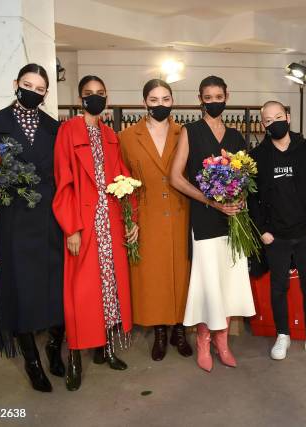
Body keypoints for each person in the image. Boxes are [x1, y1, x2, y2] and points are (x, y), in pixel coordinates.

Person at [0, 63, 64, 392]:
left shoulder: (54, 127)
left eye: (39, 88)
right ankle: (32, 361)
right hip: (16, 218)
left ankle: (53, 347)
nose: (32, 91)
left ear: (46, 93)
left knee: (53, 287)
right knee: (21, 289)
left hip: (52, 219)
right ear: (15, 84)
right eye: (27, 85)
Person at [53, 75, 138, 391]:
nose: (95, 98)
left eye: (101, 94)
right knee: (80, 293)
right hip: (83, 223)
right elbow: (64, 182)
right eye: (89, 94)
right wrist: (71, 227)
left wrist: (131, 218)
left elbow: (123, 179)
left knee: (109, 288)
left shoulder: (109, 134)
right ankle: (75, 358)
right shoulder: (68, 131)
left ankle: (106, 349)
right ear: (79, 99)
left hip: (110, 221)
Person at [170, 75, 256, 372]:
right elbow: (175, 177)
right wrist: (210, 201)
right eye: (208, 97)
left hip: (234, 221)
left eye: (219, 96)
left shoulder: (236, 136)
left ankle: (223, 342)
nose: (214, 101)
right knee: (209, 284)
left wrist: (241, 198)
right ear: (200, 99)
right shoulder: (190, 131)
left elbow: (245, 178)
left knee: (229, 284)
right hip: (205, 219)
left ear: (227, 96)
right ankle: (204, 341)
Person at [248, 101, 306, 363]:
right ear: (263, 125)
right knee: (278, 288)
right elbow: (253, 197)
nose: (274, 122)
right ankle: (282, 335)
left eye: (278, 117)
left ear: (288, 117)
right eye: (268, 120)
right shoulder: (258, 156)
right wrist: (262, 230)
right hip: (276, 236)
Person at [119, 79, 192, 361]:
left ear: (173, 101)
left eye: (165, 99)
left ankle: (180, 330)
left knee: (181, 273)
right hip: (147, 216)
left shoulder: (184, 133)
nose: (160, 104)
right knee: (154, 276)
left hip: (181, 212)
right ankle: (160, 332)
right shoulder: (127, 137)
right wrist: (130, 219)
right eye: (154, 99)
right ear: (144, 103)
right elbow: (122, 182)